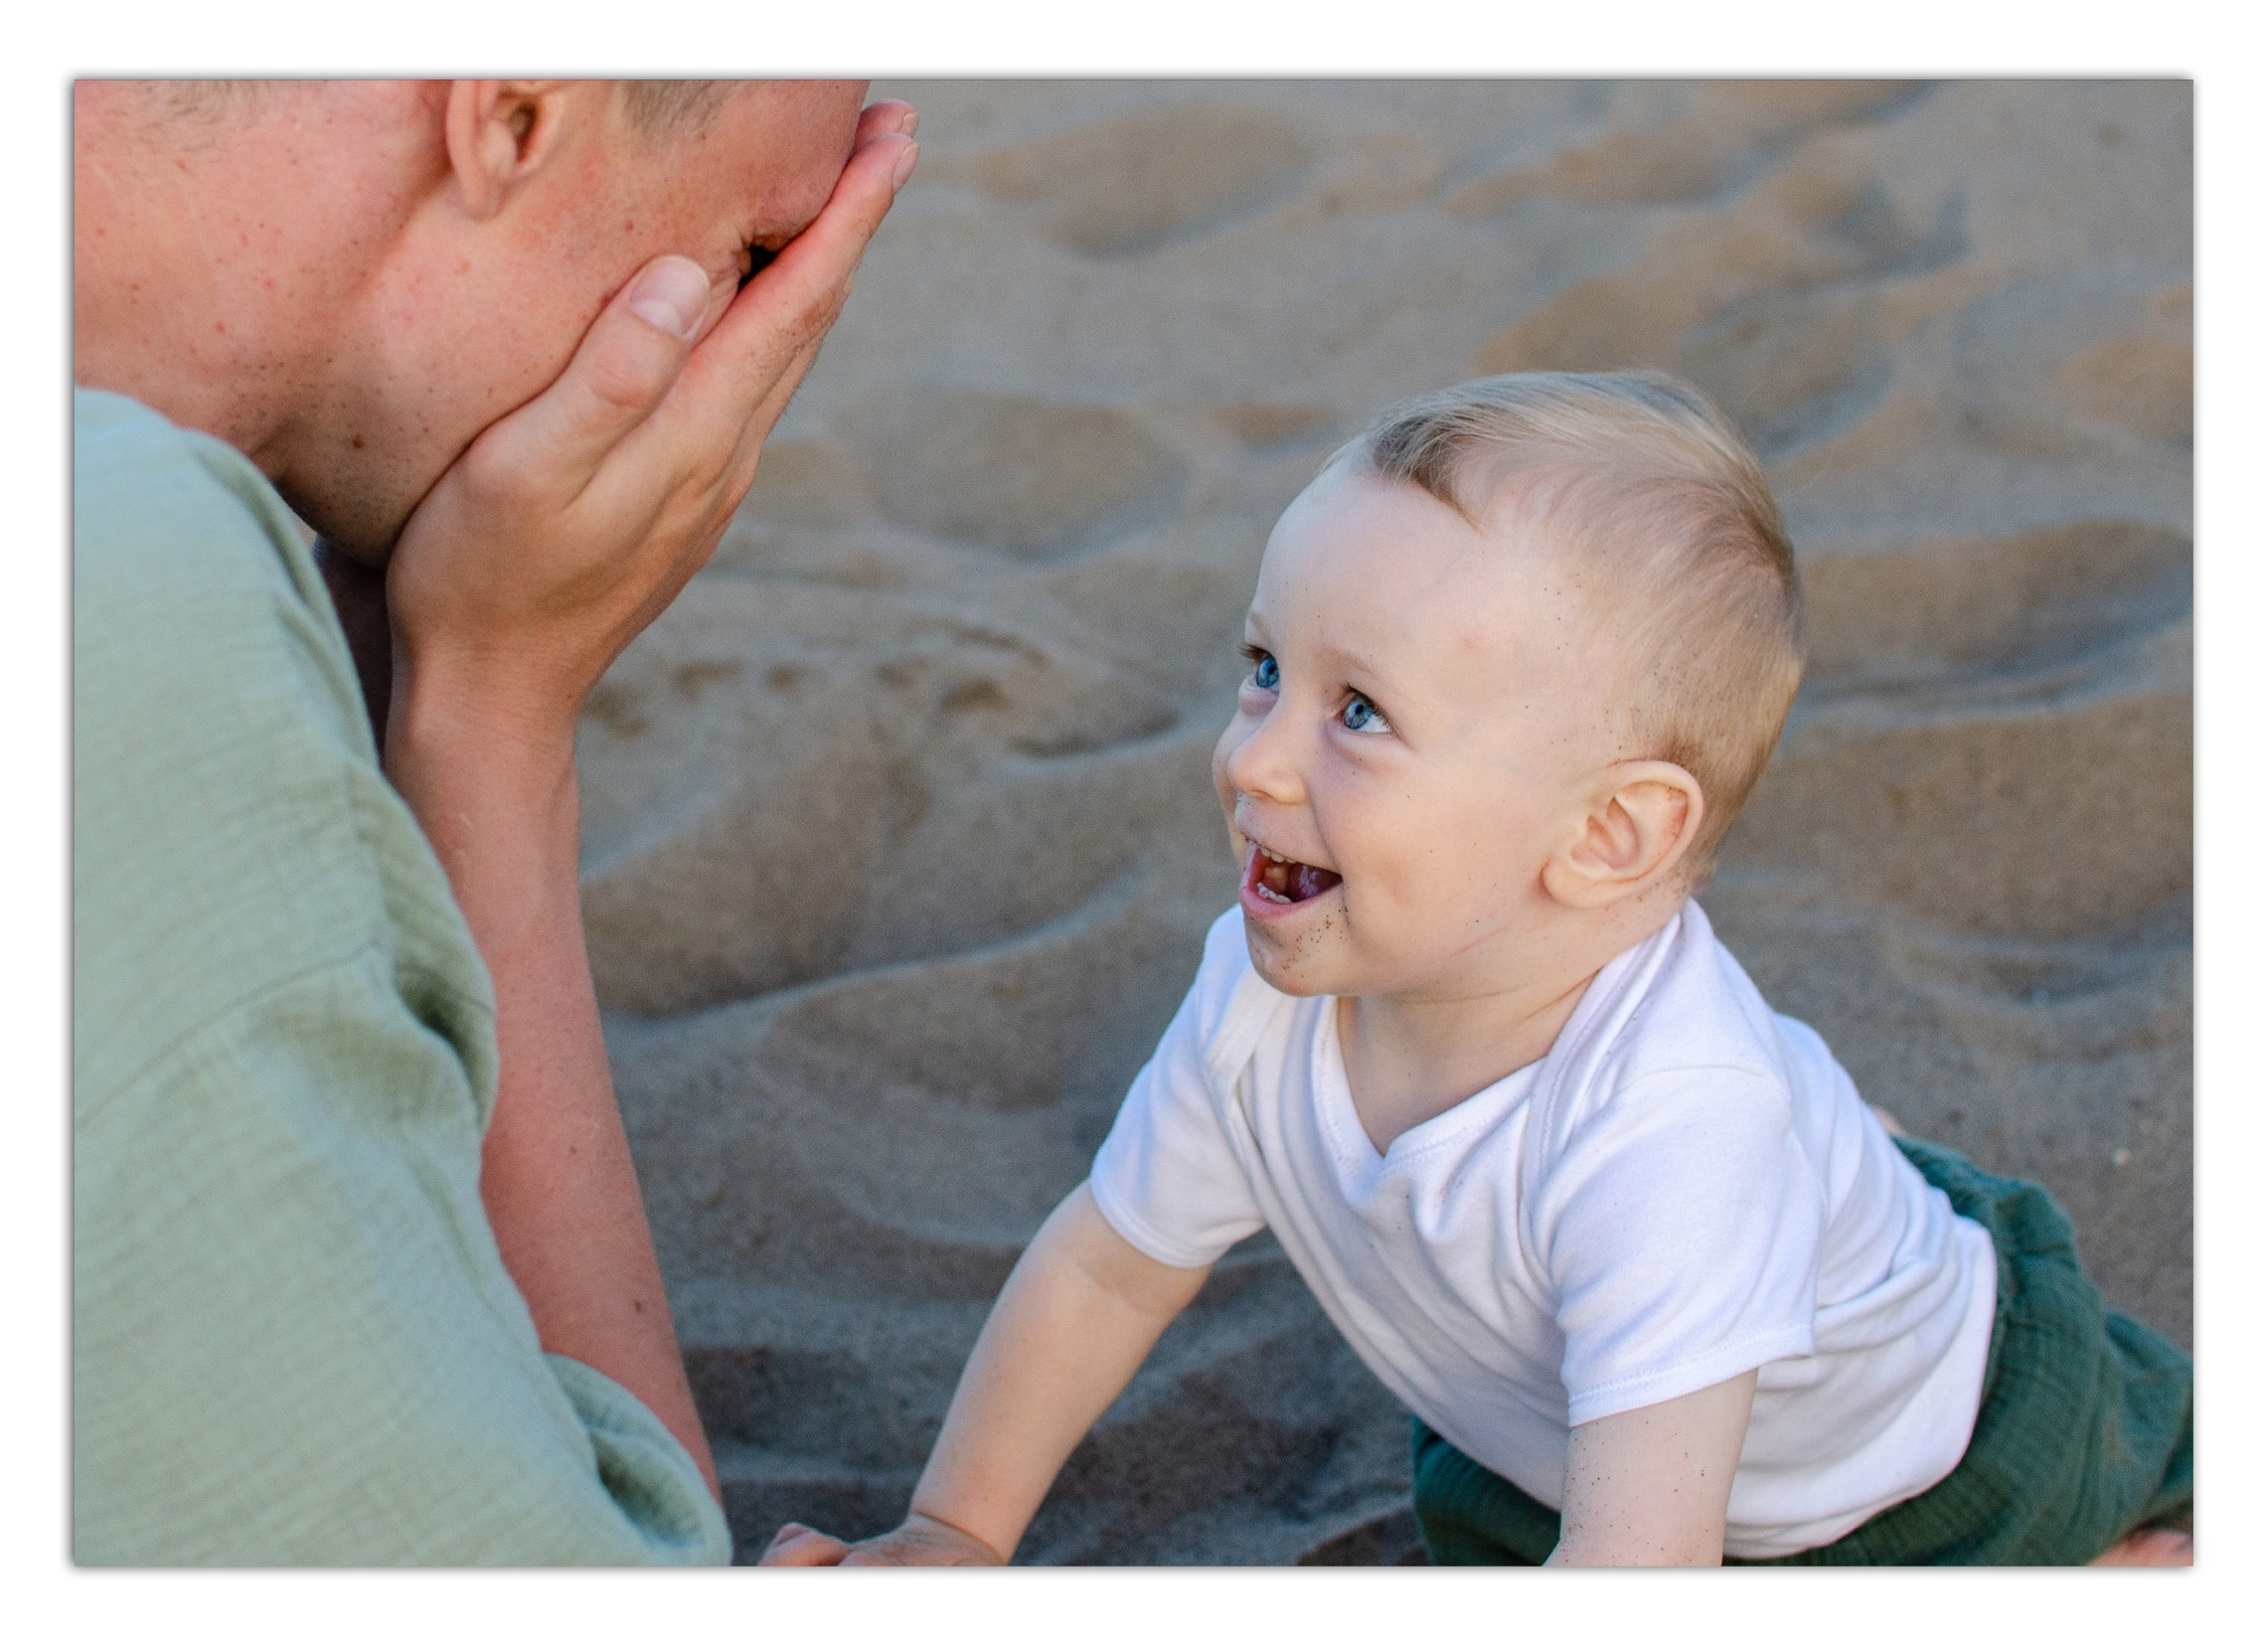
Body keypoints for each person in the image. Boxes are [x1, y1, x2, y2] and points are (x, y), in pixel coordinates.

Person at [760, 371, 2193, 1566]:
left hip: (1929, 1462)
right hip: (1541, 1438)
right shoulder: (1264, 997)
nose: (1251, 756)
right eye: (1264, 667)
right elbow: (1106, 1267)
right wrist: (952, 1533)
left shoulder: (1669, 1133)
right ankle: (1836, 1164)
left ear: (1607, 833)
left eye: (1359, 712)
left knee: (2125, 1509)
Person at [73, 79, 918, 1564]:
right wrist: (492, 727)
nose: (738, 359)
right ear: (513, 114)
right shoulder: (125, 583)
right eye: (755, 256)